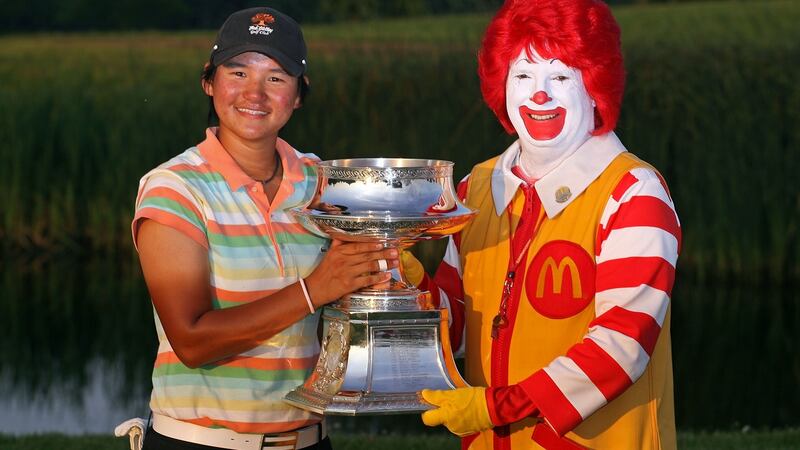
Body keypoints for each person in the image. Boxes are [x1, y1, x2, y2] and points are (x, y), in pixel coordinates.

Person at [410, 0, 682, 448]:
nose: (540, 95)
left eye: (560, 76)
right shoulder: (475, 188)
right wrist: (413, 283)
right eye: (523, 76)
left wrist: (496, 407)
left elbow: (620, 349)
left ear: (594, 86)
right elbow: (457, 329)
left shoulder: (634, 194)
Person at [129, 7, 398, 450]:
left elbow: (354, 300)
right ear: (209, 82)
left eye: (275, 78)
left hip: (310, 440)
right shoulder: (174, 188)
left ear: (298, 95)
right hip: (202, 443)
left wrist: (382, 268)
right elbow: (192, 341)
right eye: (237, 72)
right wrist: (314, 289)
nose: (253, 93)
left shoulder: (322, 182)